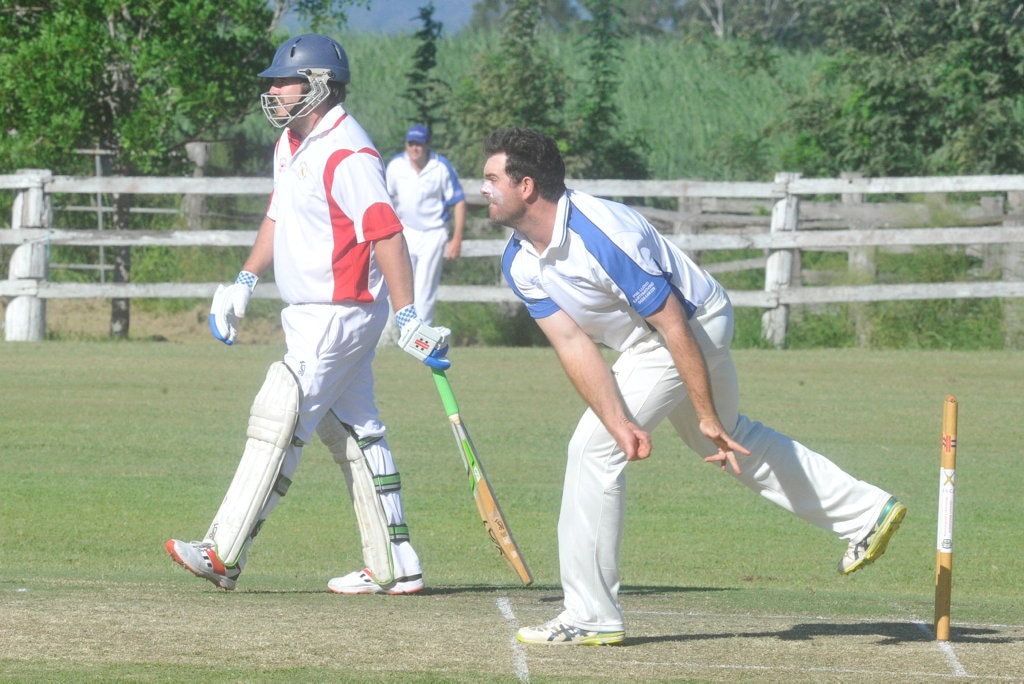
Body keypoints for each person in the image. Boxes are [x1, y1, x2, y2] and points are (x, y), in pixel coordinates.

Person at [481, 127, 907, 646]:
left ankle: (591, 614)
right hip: (651, 341)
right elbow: (572, 344)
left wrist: (699, 412)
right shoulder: (519, 259)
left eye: (491, 178)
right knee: (727, 439)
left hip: (690, 325)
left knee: (592, 451)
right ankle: (867, 512)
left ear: (527, 186)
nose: (483, 188)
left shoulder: (601, 234)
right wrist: (619, 420)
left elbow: (674, 325)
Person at [165, 34, 451, 596]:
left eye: (283, 81)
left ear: (318, 85)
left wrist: (409, 317)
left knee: (281, 408)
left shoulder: (348, 151)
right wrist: (244, 281)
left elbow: (387, 233)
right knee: (354, 430)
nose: (272, 90)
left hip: (339, 312)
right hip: (309, 313)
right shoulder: (292, 142)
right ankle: (397, 561)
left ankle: (223, 551)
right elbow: (279, 212)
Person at [385, 124, 467, 325]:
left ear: (427, 145)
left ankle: (422, 336)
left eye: (419, 144)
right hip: (404, 232)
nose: (414, 148)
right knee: (398, 284)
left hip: (433, 234)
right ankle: (392, 335)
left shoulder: (440, 167)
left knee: (424, 289)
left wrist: (456, 238)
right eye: (411, 144)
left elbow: (458, 201)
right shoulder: (396, 166)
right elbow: (384, 198)